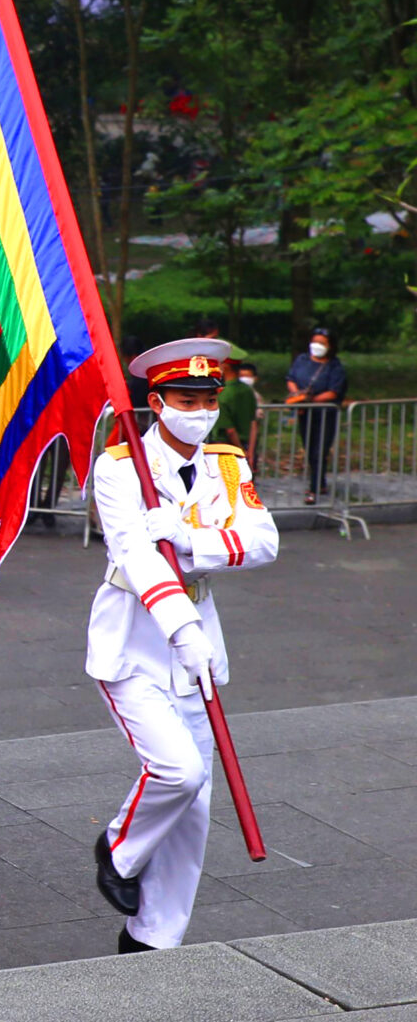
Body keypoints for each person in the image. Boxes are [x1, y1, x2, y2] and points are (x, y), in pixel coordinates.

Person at [89, 339, 278, 952]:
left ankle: (152, 938)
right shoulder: (120, 467)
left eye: (207, 400)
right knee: (178, 770)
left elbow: (263, 542)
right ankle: (118, 848)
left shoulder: (228, 463)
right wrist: (181, 628)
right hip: (136, 637)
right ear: (157, 402)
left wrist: (193, 537)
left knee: (196, 804)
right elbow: (137, 558)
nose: (198, 411)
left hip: (200, 633)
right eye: (185, 399)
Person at [284, 329, 347, 502]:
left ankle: (313, 489)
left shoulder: (334, 366)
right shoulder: (302, 360)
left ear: (330, 346)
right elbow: (291, 379)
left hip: (325, 414)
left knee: (320, 450)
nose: (317, 346)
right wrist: (298, 396)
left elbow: (334, 392)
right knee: (310, 448)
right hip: (305, 413)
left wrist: (312, 400)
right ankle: (320, 482)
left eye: (322, 343)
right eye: (315, 341)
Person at [214, 360, 260, 458]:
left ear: (225, 366)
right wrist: (251, 452)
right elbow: (254, 423)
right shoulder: (247, 390)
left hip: (227, 448)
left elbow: (230, 430)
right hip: (248, 444)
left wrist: (241, 452)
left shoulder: (222, 393)